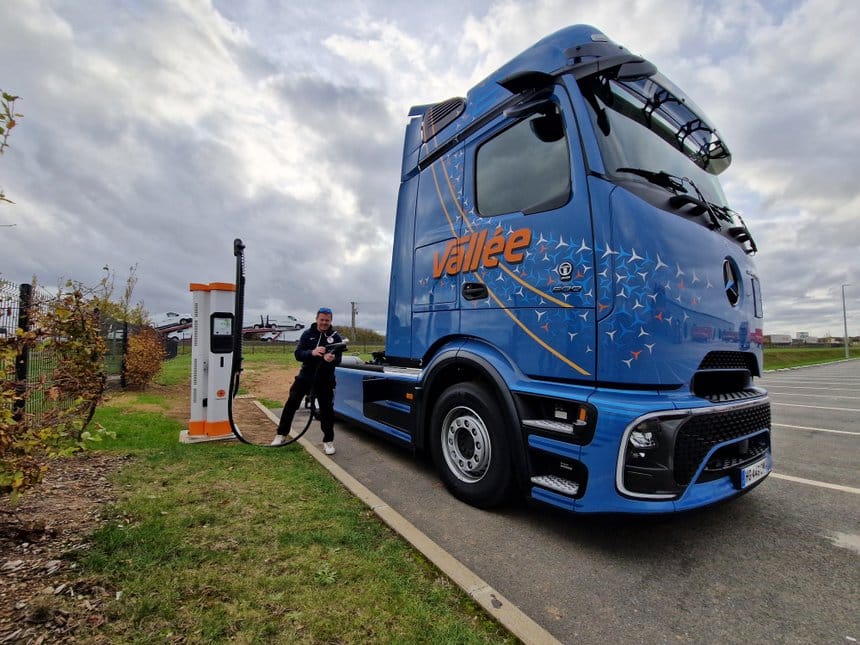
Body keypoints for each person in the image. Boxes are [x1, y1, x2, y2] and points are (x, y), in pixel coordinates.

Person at [271, 307, 344, 454]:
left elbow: (339, 359)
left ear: (331, 321)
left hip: (325, 379)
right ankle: (281, 434)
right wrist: (312, 352)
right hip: (306, 376)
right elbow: (298, 354)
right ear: (317, 318)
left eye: (327, 320)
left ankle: (328, 441)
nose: (324, 323)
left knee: (326, 410)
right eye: (322, 319)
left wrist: (332, 359)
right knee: (292, 403)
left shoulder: (336, 337)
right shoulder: (307, 334)